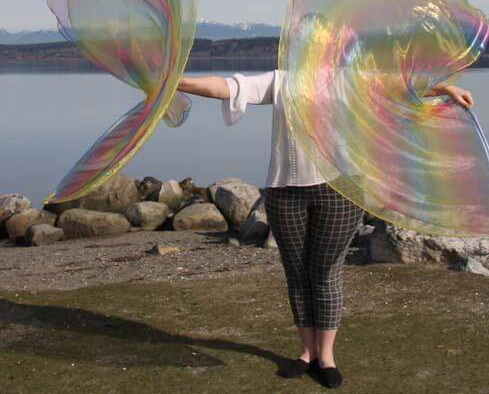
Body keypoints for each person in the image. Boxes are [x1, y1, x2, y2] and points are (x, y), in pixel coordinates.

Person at [176, 70, 474, 388]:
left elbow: (401, 85)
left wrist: (445, 87)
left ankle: (327, 357)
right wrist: (178, 82)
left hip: (341, 191)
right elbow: (228, 87)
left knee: (325, 272)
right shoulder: (283, 80)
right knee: (297, 273)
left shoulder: (353, 78)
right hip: (286, 192)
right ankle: (307, 353)